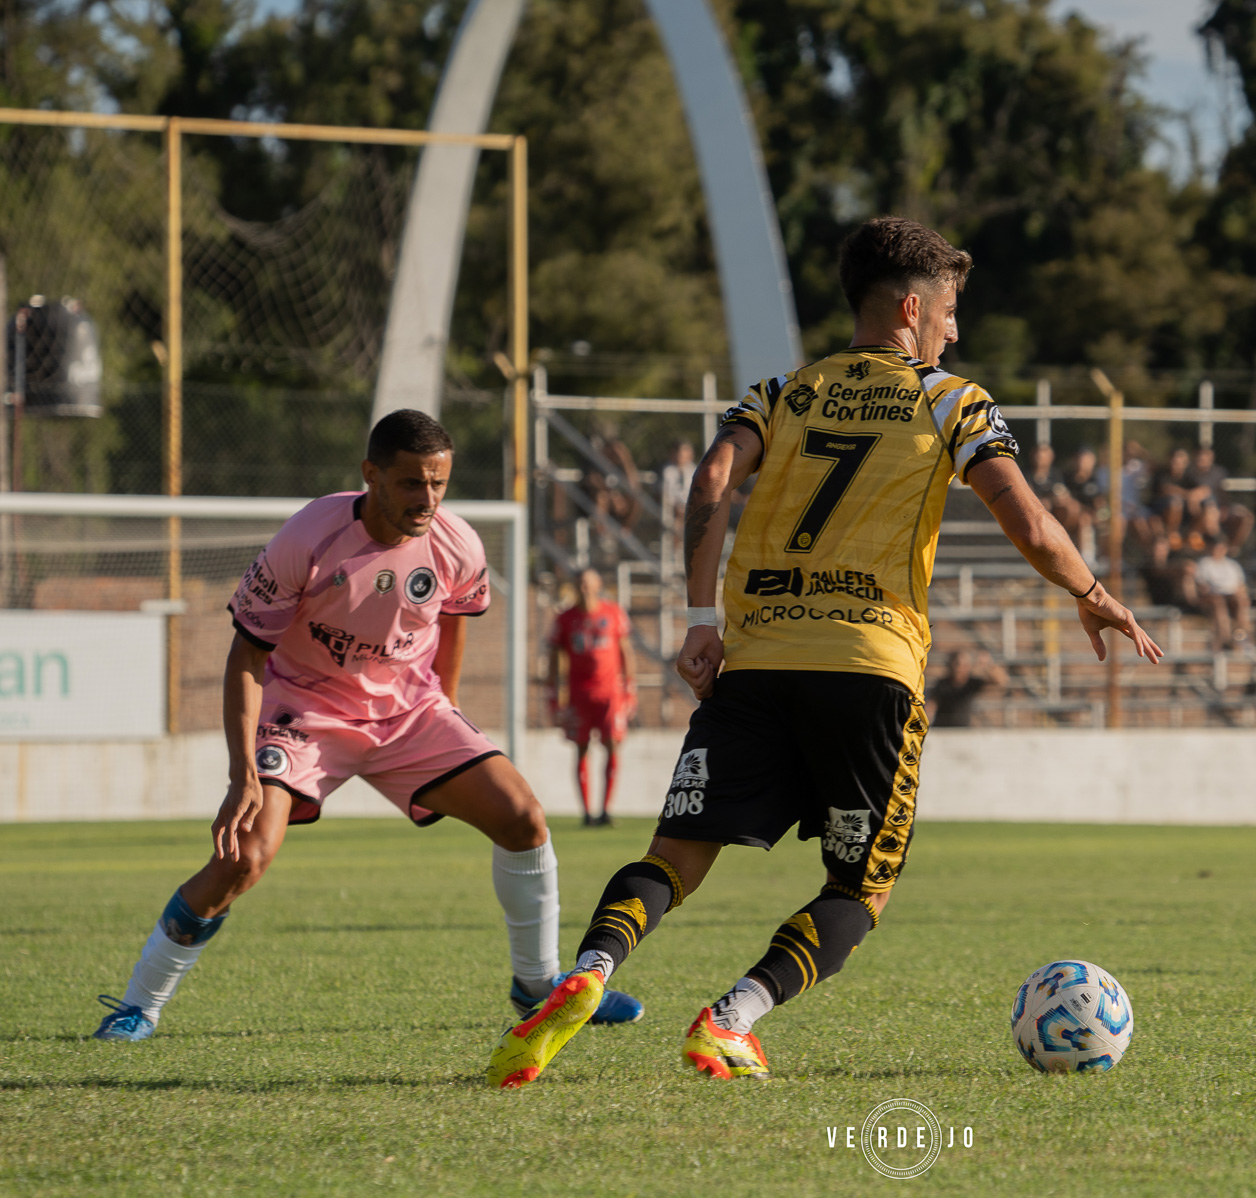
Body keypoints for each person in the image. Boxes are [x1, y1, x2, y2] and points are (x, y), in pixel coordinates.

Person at [485, 215, 1162, 1088]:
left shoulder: (781, 394)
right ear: (913, 308)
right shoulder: (952, 399)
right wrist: (1093, 594)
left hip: (756, 665)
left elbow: (710, 479)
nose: (954, 330)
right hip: (870, 670)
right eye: (949, 311)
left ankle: (591, 968)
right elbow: (1027, 520)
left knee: (673, 857)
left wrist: (700, 619)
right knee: (859, 892)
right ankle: (731, 1019)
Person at [92, 410, 642, 1042]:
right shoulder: (309, 536)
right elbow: (246, 655)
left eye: (438, 483)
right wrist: (242, 774)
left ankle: (537, 987)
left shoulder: (458, 543)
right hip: (304, 712)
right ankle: (139, 1005)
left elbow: (455, 616)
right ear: (371, 475)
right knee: (244, 857)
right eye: (411, 483)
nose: (427, 499)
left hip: (409, 712)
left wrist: (446, 704)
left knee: (523, 818)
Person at [547, 568, 636, 826]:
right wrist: (554, 695)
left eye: (588, 583)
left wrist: (630, 689)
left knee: (612, 744)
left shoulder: (613, 612)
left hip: (610, 692)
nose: (584, 588)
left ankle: (606, 810)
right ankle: (587, 813)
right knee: (581, 747)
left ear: (598, 585)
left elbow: (626, 651)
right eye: (580, 584)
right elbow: (555, 656)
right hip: (579, 693)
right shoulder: (565, 618)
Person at [1193, 537, 1250, 650]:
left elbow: (1241, 585)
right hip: (1213, 597)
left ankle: (1241, 638)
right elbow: (1202, 586)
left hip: (1231, 596)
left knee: (1240, 601)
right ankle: (1225, 638)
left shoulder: (1232, 565)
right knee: (1218, 603)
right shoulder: (1204, 564)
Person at [924, 650, 1007, 727]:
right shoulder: (942, 684)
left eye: (964, 665)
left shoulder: (971, 683)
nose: (959, 668)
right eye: (957, 664)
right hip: (943, 729)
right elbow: (932, 704)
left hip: (963, 730)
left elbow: (1000, 681)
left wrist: (988, 665)